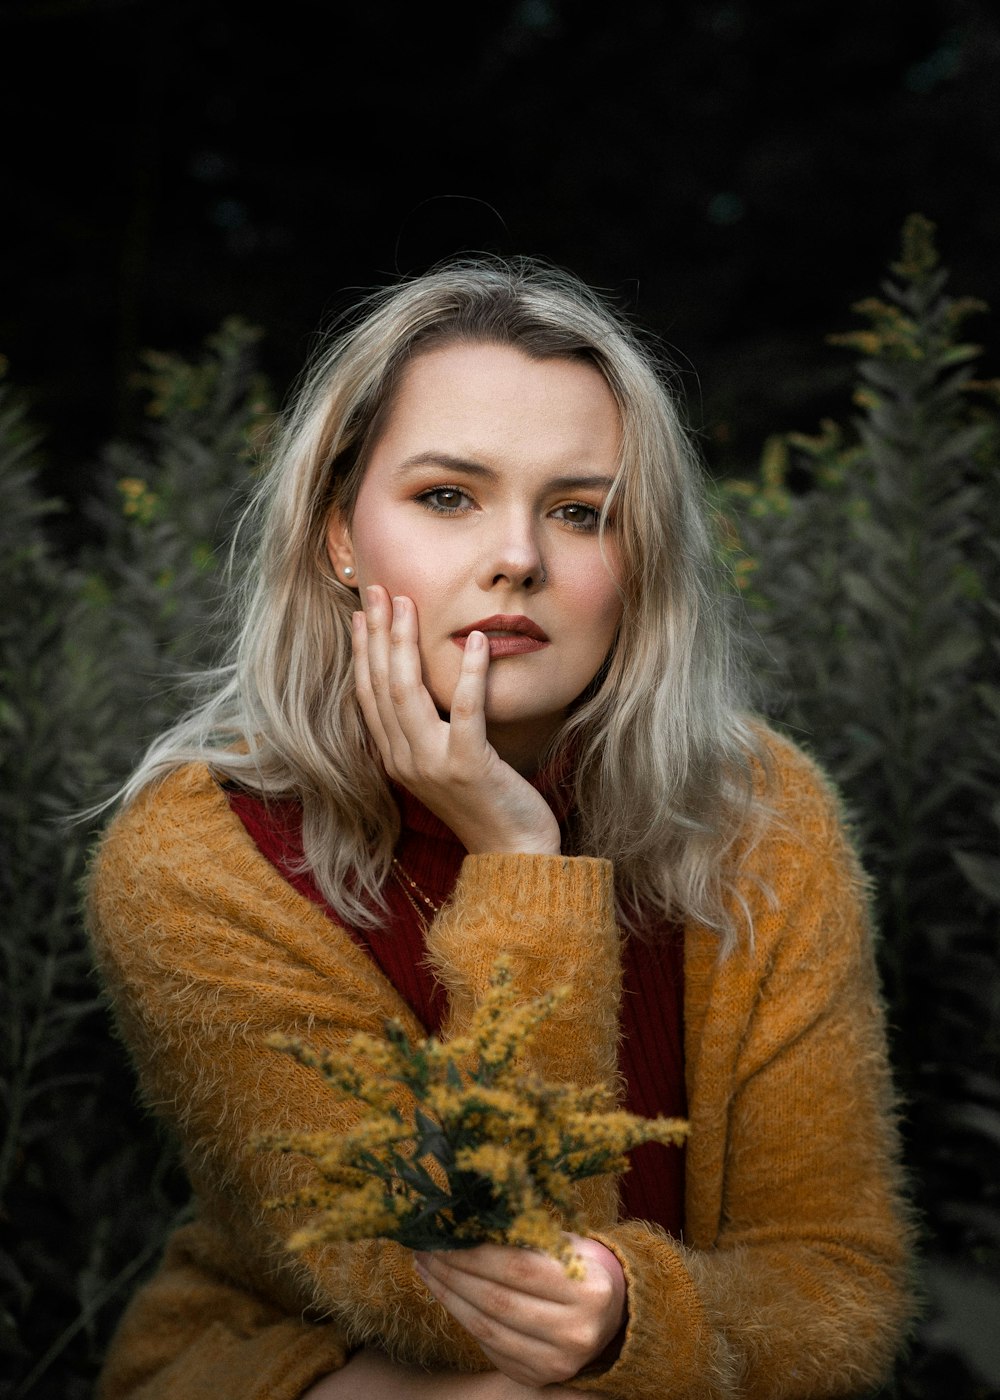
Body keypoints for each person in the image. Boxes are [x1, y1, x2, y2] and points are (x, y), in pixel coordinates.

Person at [86, 256, 914, 1400]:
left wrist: (631, 1316)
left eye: (580, 512)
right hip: (304, 1367)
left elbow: (840, 1287)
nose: (518, 556)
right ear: (339, 535)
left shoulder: (758, 818)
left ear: (640, 562)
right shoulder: (197, 853)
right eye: (447, 496)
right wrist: (520, 863)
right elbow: (452, 1294)